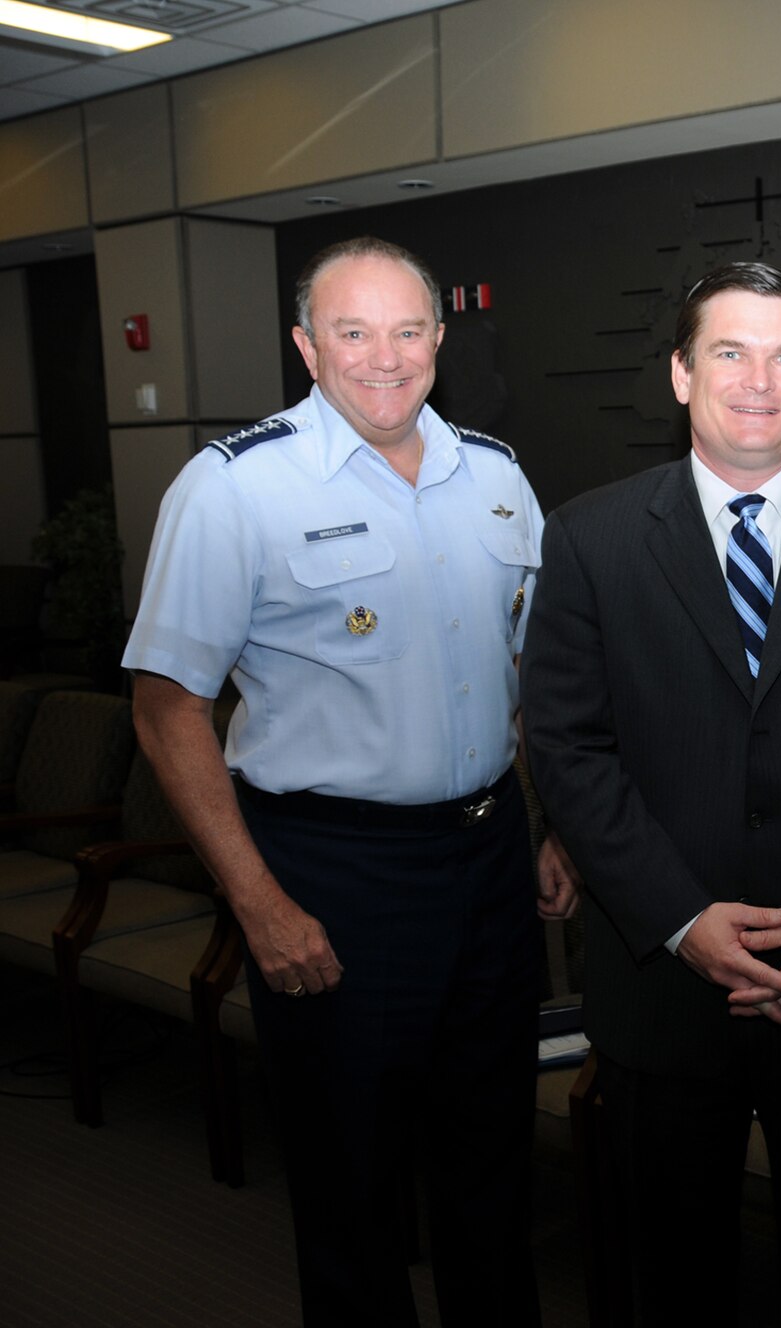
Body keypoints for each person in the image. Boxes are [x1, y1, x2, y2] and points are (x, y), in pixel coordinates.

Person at [124, 236, 576, 1327]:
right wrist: (258, 901)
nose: (386, 357)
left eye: (408, 329)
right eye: (353, 331)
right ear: (305, 347)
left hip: (485, 860)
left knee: (490, 1162)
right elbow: (165, 706)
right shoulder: (233, 487)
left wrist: (546, 824)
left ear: (438, 339)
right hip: (331, 870)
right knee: (351, 1182)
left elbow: (522, 673)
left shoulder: (498, 474)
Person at [521, 261, 781, 1324]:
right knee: (667, 1268)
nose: (757, 378)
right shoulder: (589, 537)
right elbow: (570, 750)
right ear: (679, 374)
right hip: (660, 987)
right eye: (728, 351)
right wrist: (679, 919)